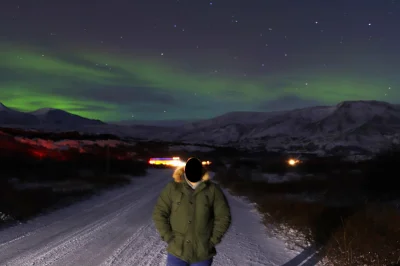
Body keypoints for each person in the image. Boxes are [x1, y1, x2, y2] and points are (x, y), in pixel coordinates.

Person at [152, 157, 231, 266]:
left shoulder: (212, 190)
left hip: (202, 254)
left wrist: (212, 241)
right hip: (177, 253)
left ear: (201, 171)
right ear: (185, 171)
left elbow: (223, 216)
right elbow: (159, 213)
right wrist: (168, 237)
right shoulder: (173, 188)